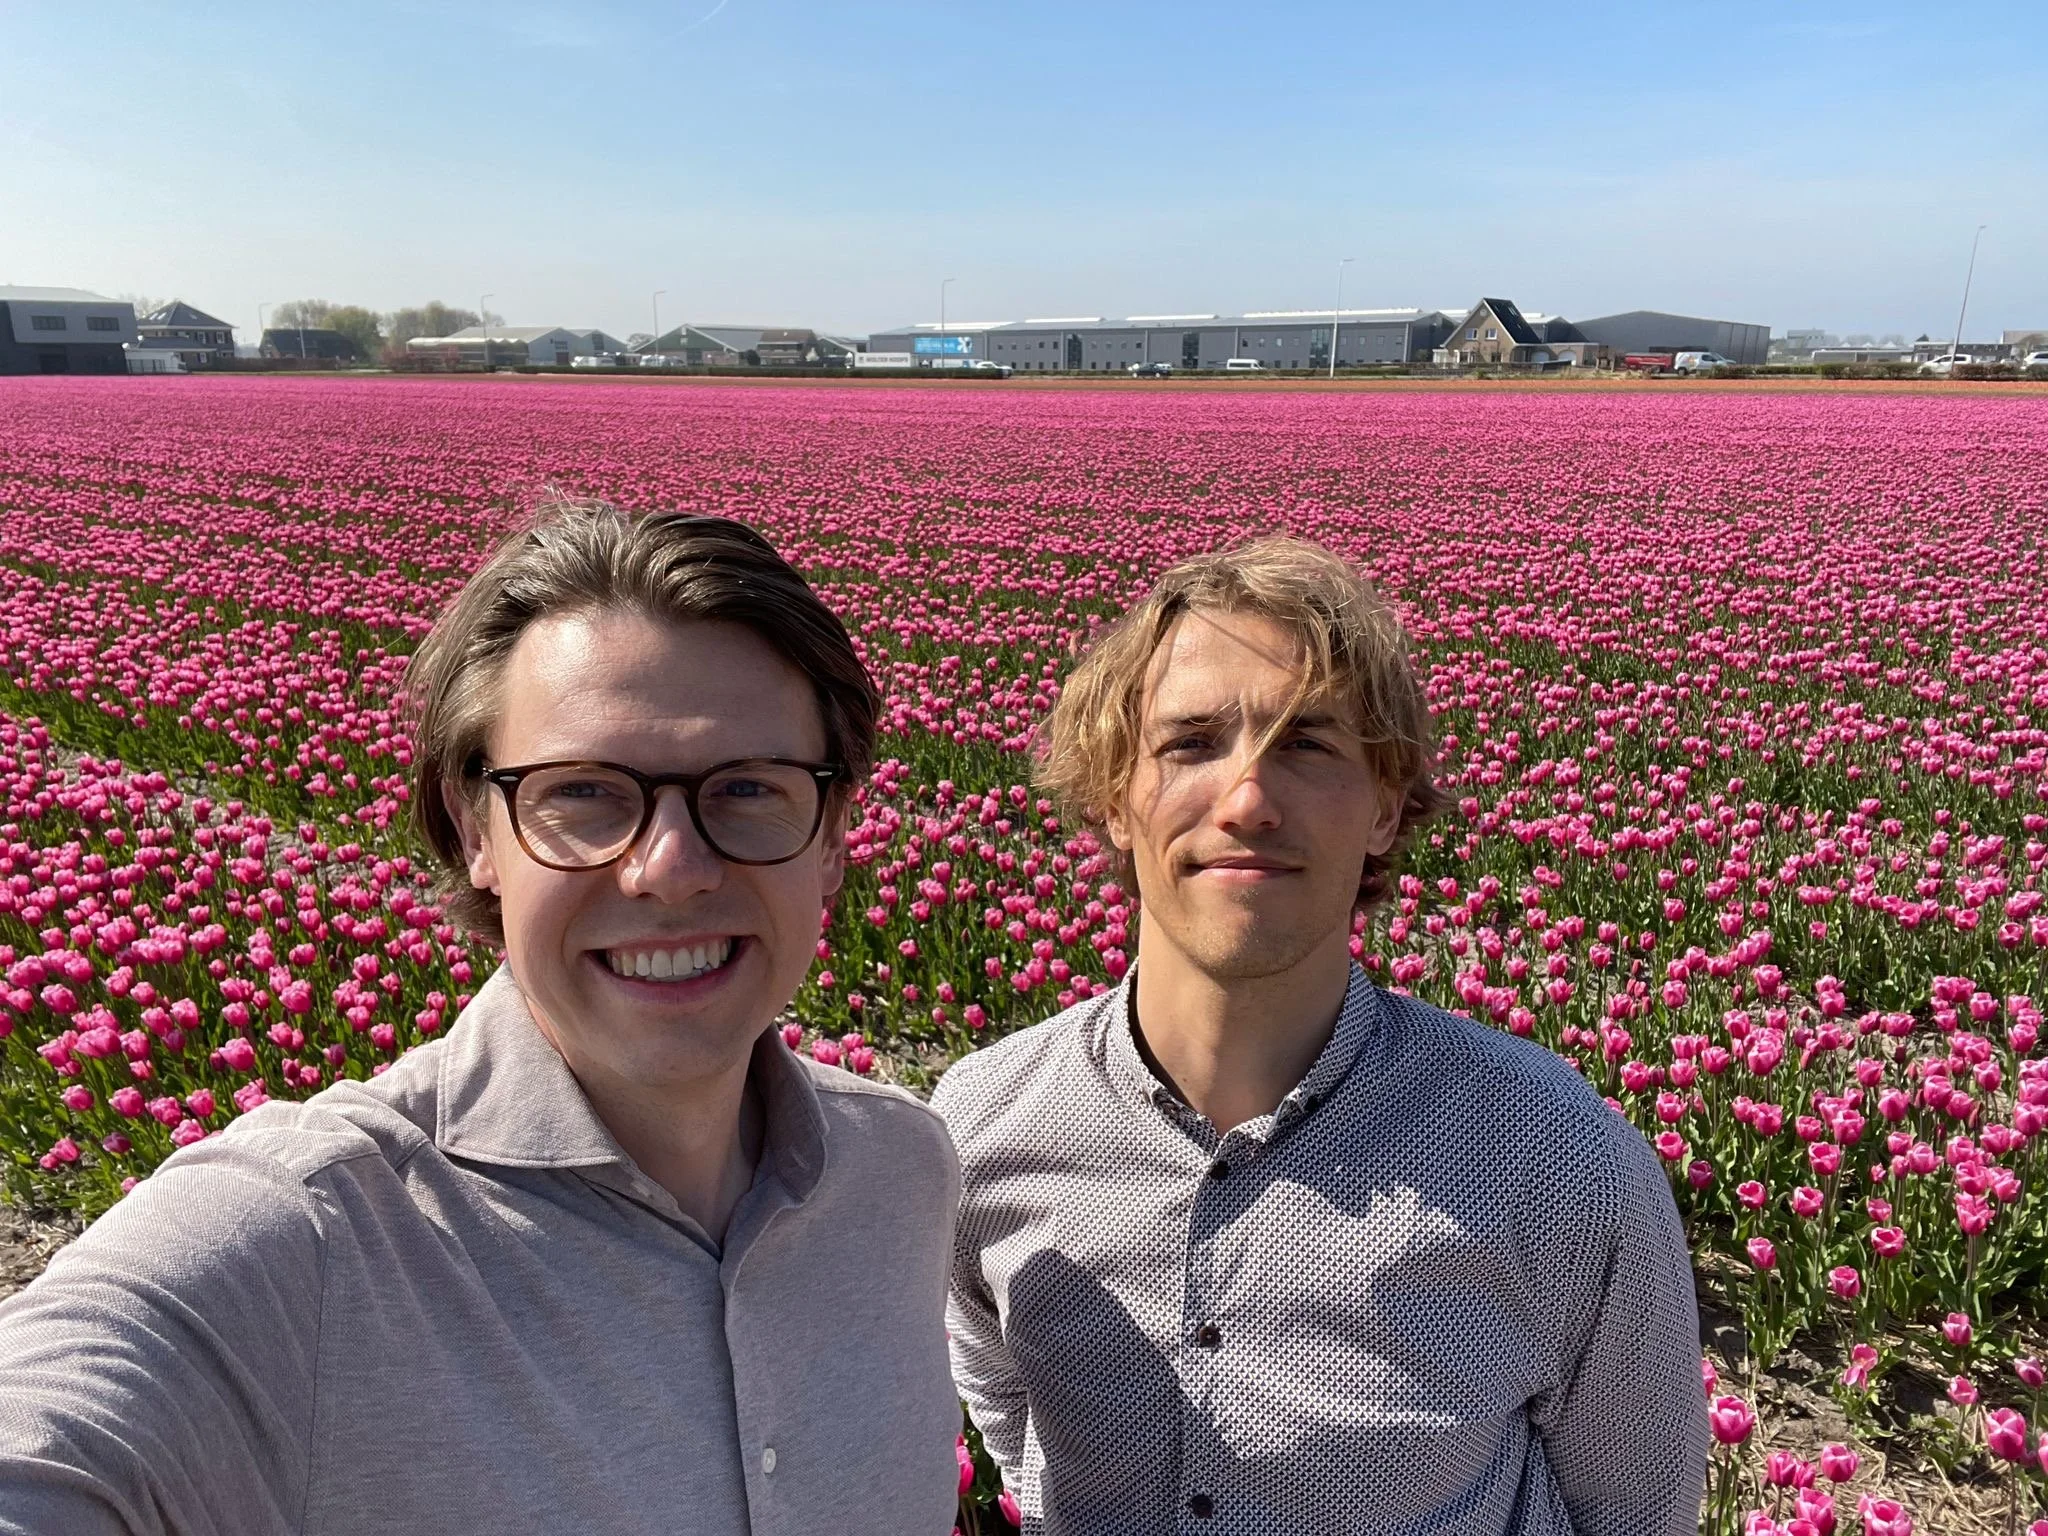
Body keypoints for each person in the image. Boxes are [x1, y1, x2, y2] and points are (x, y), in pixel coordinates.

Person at [0, 499, 964, 1535]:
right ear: (475, 830)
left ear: (832, 838)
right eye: (584, 792)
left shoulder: (900, 1172)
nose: (670, 867)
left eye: (746, 788)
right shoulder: (312, 1237)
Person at [931, 538, 1709, 1536]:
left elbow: (1634, 1513)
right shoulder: (982, 1128)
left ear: (1385, 805)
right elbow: (1011, 1422)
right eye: (1189, 744)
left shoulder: (1553, 1158)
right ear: (1111, 800)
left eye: (1306, 744)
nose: (1247, 800)